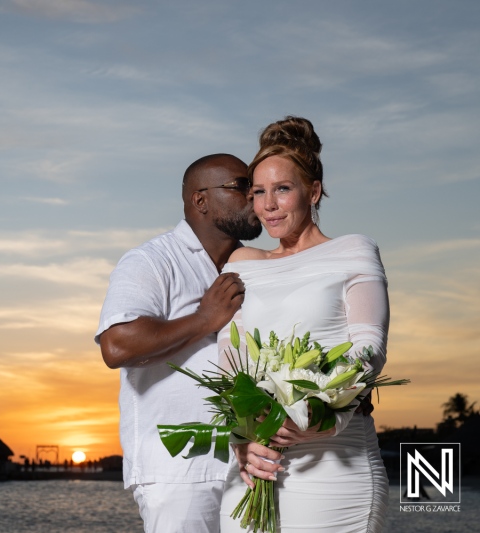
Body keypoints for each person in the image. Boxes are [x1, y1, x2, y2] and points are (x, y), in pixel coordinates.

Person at [217, 116, 390, 532]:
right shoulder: (242, 263)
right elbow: (228, 361)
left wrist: (322, 416)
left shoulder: (353, 250)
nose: (268, 205)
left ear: (312, 191)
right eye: (259, 192)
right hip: (254, 463)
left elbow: (369, 350)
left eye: (282, 189)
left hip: (333, 464)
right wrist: (241, 437)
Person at [95, 153, 263, 532]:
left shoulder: (256, 266)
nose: (255, 196)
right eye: (241, 187)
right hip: (179, 468)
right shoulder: (151, 261)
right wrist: (204, 319)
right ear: (199, 200)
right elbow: (117, 345)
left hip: (252, 464)